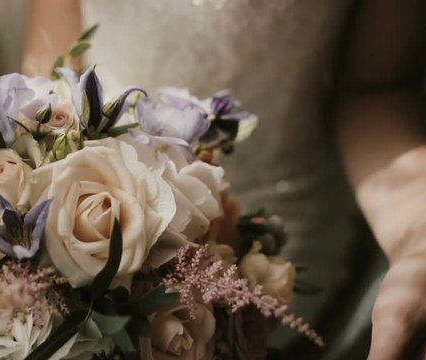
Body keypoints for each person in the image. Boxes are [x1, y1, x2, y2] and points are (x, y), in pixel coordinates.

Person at [22, 0, 426, 359]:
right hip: (82, 204)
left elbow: (375, 90)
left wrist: (416, 235)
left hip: (275, 252)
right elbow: (55, 57)